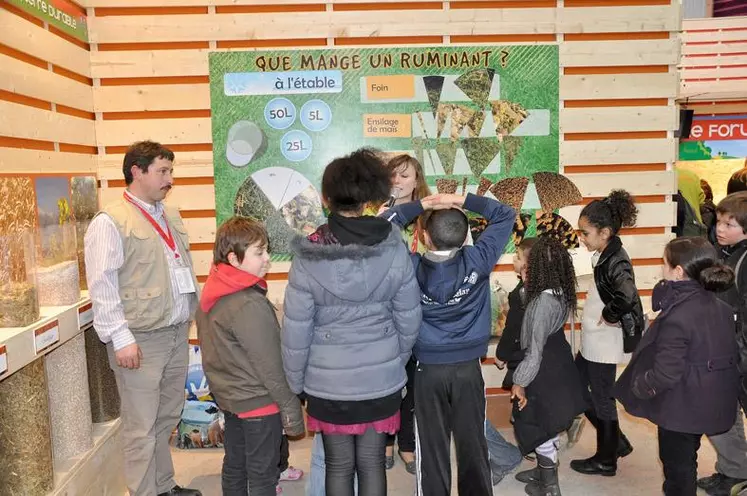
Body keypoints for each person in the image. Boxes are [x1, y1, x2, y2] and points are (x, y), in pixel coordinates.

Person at [282, 148, 422, 496]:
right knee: (373, 463)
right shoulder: (394, 243)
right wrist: (393, 361)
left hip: (327, 384)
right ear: (367, 197)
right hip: (381, 378)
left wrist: (297, 383)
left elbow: (296, 327)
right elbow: (409, 316)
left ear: (326, 198)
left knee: (339, 465)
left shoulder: (310, 251)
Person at [84, 141, 201, 496]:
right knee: (140, 428)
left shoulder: (169, 214)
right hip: (140, 340)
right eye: (163, 171)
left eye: (171, 171)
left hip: (176, 334)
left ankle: (164, 486)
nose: (170, 179)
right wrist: (120, 338)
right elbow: (101, 284)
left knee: (166, 418)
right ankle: (144, 492)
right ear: (137, 170)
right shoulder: (110, 222)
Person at [384, 191, 516, 495]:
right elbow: (505, 214)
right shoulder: (479, 259)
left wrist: (424, 204)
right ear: (467, 234)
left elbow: (384, 225)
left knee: (431, 447)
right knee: (473, 443)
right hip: (469, 369)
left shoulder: (411, 266)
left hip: (428, 370)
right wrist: (463, 199)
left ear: (427, 238)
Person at [615, 237, 739, 496]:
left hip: (681, 405)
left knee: (678, 470)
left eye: (664, 263)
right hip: (710, 398)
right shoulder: (722, 308)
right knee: (687, 460)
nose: (662, 268)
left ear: (678, 271)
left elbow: (666, 372)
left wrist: (641, 385)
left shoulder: (679, 315)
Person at [195, 217, 305, 496]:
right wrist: (291, 410)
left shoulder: (214, 290)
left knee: (235, 466)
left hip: (232, 400)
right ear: (234, 258)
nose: (267, 259)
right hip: (259, 403)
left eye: (266, 250)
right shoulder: (247, 303)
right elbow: (271, 366)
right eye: (259, 253)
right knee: (262, 476)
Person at [571, 190, 643, 477]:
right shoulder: (604, 253)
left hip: (604, 343)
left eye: (585, 232)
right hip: (593, 341)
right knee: (575, 387)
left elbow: (627, 295)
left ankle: (606, 459)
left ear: (605, 232)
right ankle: (617, 443)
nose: (581, 238)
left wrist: (609, 315)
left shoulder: (616, 259)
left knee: (602, 397)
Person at [511, 237, 588, 496]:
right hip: (558, 362)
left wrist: (519, 382)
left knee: (538, 424)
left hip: (544, 370)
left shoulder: (543, 302)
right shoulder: (557, 290)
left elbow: (534, 352)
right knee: (547, 422)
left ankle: (550, 487)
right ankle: (544, 471)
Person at [698, 191, 747, 496]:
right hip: (725, 351)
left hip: (738, 354)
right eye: (719, 221)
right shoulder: (725, 253)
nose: (720, 228)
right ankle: (735, 471)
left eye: (730, 224)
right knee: (722, 413)